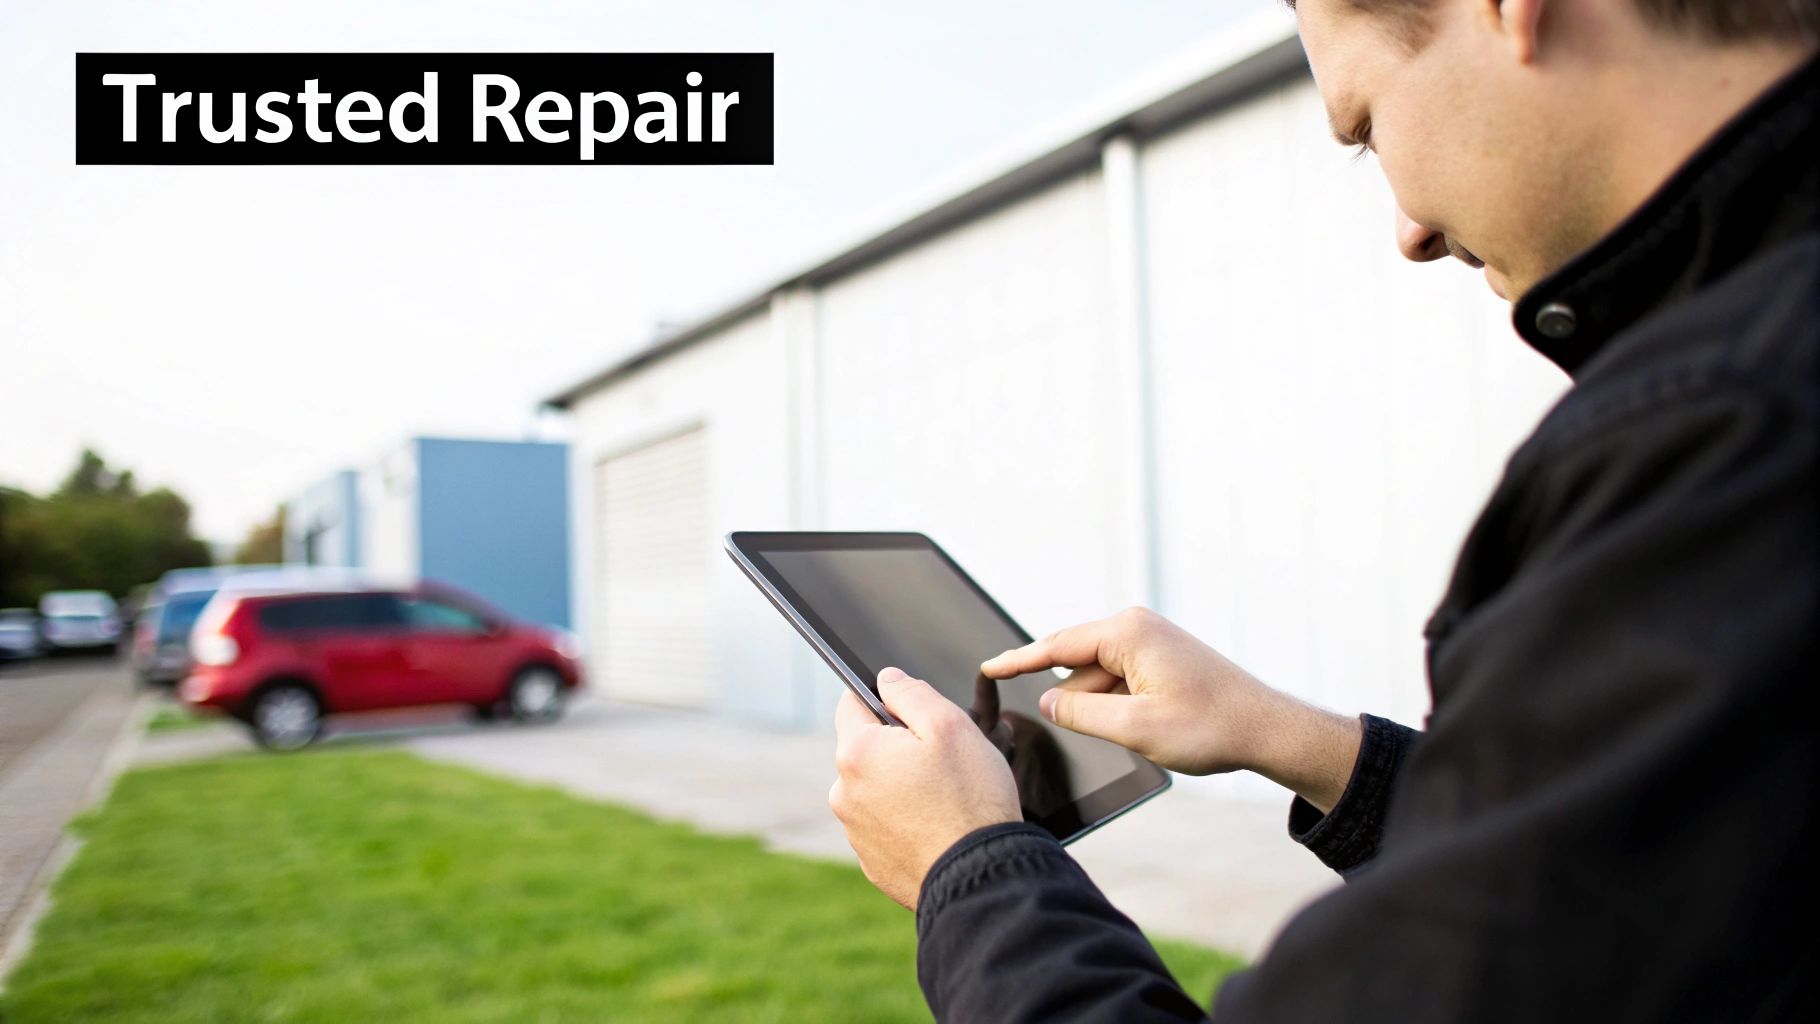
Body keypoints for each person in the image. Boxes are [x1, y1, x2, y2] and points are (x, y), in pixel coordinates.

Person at [826, 0, 1820, 1019]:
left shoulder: (1727, 437)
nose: (1410, 229)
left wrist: (965, 862)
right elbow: (1631, 867)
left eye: (1364, 126)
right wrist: (1292, 740)